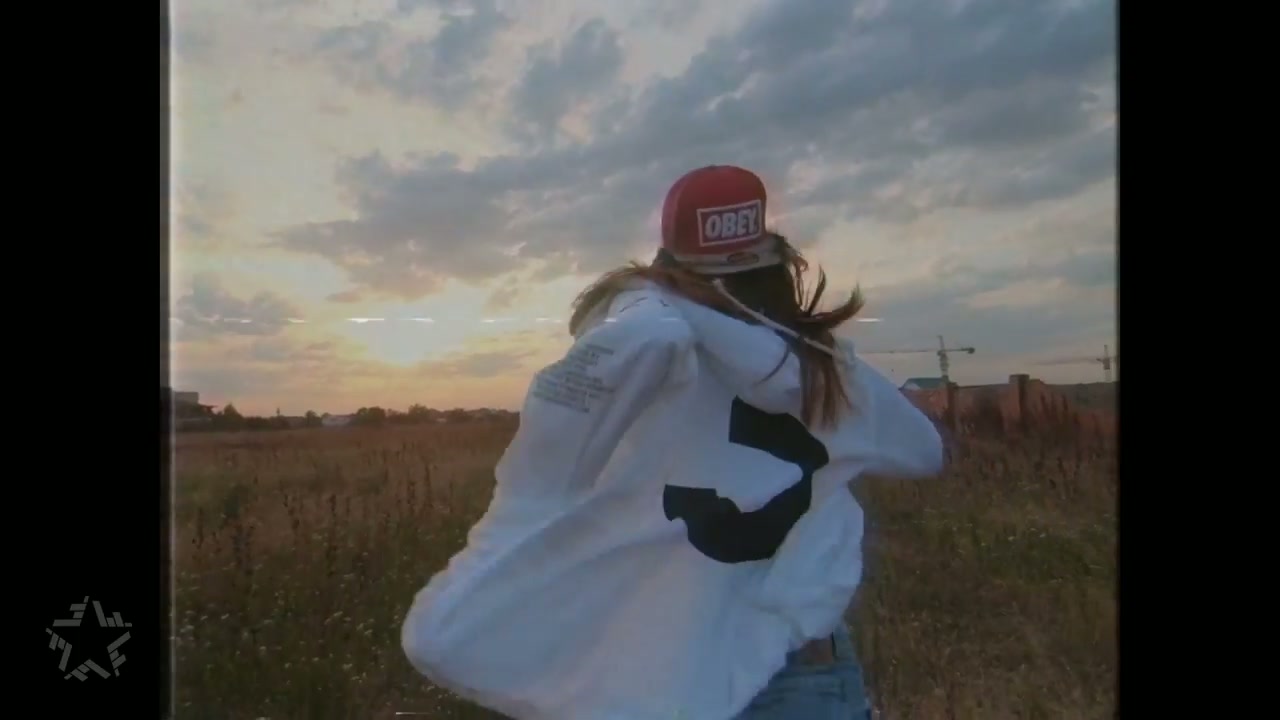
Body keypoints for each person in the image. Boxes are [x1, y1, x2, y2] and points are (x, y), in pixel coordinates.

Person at [401, 165, 945, 720]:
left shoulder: (650, 349)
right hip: (802, 667)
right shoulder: (824, 372)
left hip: (668, 668)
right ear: (778, 269)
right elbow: (924, 452)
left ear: (667, 265)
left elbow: (552, 451)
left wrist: (647, 301)